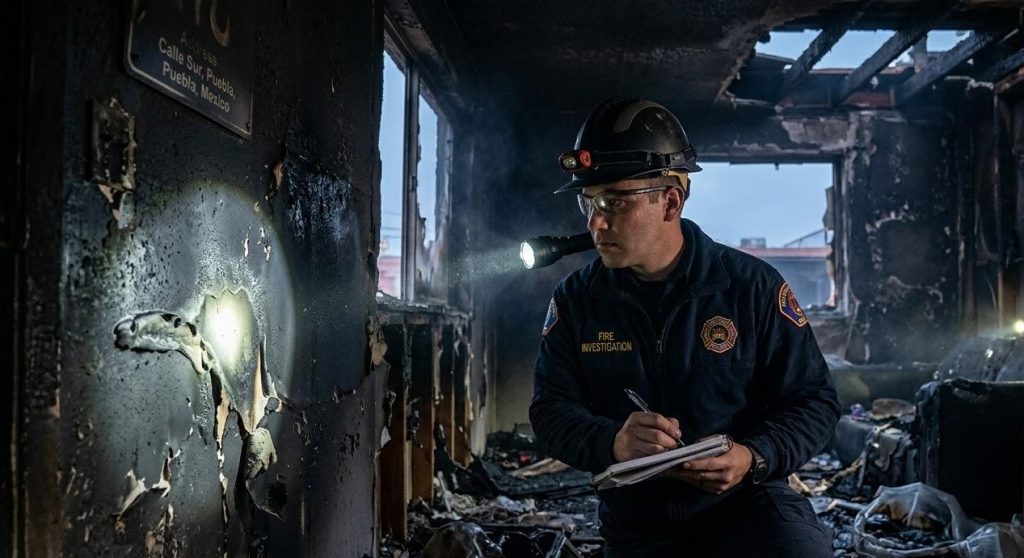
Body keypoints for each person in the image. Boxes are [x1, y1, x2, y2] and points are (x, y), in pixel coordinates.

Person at [529, 98, 841, 557]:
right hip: (639, 519)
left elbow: (815, 401)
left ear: (670, 201)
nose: (596, 222)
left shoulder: (750, 288)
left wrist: (754, 456)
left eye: (613, 201)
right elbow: (550, 410)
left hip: (747, 504)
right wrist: (611, 441)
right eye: (588, 202)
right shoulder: (577, 300)